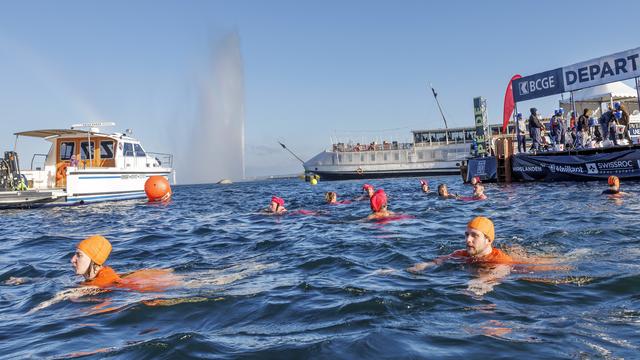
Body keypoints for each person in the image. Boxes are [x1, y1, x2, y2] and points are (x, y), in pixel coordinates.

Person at [71, 235, 180, 290]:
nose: (72, 260)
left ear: (94, 260)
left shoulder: (103, 281)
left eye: (79, 255)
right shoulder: (102, 275)